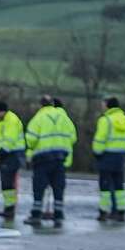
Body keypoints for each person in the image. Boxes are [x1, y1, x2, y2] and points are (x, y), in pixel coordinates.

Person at [24, 95, 75, 228]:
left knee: (39, 187)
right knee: (58, 187)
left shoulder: (38, 118)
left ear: (41, 105)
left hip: (42, 158)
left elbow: (31, 139)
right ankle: (58, 214)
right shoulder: (64, 117)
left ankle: (36, 214)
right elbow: (73, 137)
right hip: (60, 158)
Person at [92, 96, 125, 223]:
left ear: (108, 106)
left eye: (103, 105)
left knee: (105, 186)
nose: (102, 107)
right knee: (119, 186)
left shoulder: (105, 120)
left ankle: (103, 212)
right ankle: (120, 212)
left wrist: (97, 153)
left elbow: (100, 139)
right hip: (121, 157)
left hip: (106, 156)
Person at [0, 101, 26, 221]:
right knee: (6, 182)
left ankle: (9, 209)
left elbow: (9, 140)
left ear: (1, 111)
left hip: (12, 154)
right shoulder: (2, 122)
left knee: (7, 182)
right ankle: (8, 208)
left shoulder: (11, 120)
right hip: (5, 155)